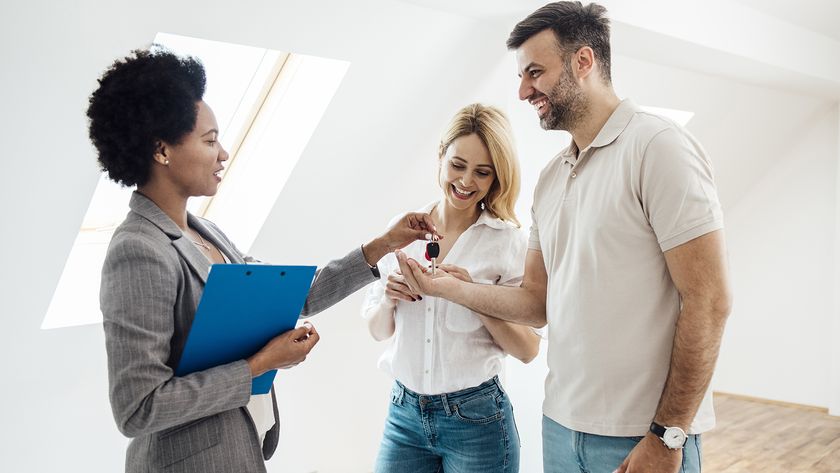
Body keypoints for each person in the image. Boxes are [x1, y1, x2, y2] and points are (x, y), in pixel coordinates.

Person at [395, 3, 733, 473]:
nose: (522, 90)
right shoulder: (552, 177)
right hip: (560, 427)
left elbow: (709, 300)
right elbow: (536, 302)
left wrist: (668, 434)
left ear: (583, 62)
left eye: (534, 72)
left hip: (642, 435)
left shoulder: (659, 148)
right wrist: (448, 288)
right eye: (520, 76)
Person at [88, 47, 438, 473]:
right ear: (162, 150)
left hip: (239, 450)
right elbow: (138, 409)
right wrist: (259, 365)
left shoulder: (204, 231)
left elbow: (293, 296)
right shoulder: (138, 250)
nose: (224, 153)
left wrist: (383, 243)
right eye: (210, 140)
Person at [362, 103, 540, 473]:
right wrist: (389, 301)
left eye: (482, 172)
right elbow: (378, 331)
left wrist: (471, 296)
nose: (466, 181)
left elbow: (527, 350)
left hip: (477, 422)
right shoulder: (403, 232)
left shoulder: (507, 242)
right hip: (404, 417)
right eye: (457, 165)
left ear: (495, 179)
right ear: (441, 157)